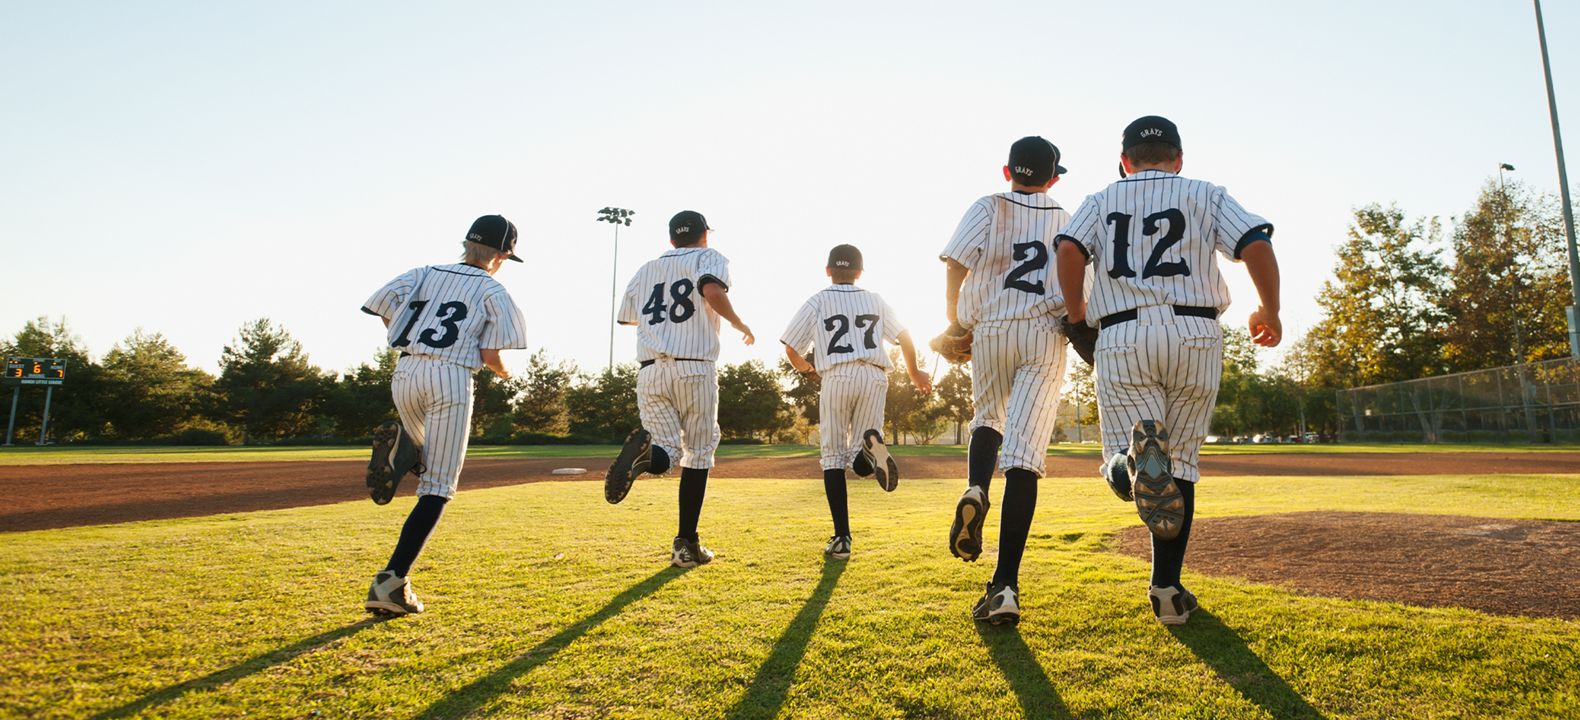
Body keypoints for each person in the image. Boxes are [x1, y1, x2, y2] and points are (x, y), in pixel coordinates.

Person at [1054, 115, 1281, 625]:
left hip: (1124, 333)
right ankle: (1168, 591)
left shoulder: (1101, 198)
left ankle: (1131, 466)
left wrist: (1076, 318)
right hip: (1196, 332)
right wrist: (1271, 310)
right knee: (1181, 466)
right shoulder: (1206, 193)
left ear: (1124, 160)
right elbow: (1256, 245)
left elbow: (1068, 249)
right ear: (1179, 159)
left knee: (1125, 454)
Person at [360, 214, 529, 615]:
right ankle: (392, 581)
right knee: (437, 486)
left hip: (405, 370)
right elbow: (490, 355)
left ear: (467, 244)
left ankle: (403, 451)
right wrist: (505, 375)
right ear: (503, 255)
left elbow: (384, 309)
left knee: (422, 454)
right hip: (450, 376)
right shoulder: (494, 290)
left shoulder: (421, 272)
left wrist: (407, 333)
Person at [938, 136, 1074, 625]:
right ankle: (1005, 587)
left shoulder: (988, 203)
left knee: (987, 417)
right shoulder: (1066, 215)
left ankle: (976, 488)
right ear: (1053, 177)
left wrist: (956, 319)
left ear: (1006, 170)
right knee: (1025, 459)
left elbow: (955, 260)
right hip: (1044, 332)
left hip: (991, 328)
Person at [604, 210, 754, 568]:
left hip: (650, 370)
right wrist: (738, 322)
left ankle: (644, 457)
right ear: (705, 234)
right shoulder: (709, 257)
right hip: (694, 367)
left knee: (667, 452)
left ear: (672, 239)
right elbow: (712, 290)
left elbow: (627, 317)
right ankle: (687, 544)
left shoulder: (646, 268)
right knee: (699, 453)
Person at [781, 244, 932, 559]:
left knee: (833, 458)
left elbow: (791, 349)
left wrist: (809, 372)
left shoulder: (818, 300)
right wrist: (915, 372)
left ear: (828, 271)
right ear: (860, 272)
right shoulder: (874, 299)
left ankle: (842, 539)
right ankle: (870, 445)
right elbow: (904, 336)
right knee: (860, 464)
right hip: (875, 375)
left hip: (837, 376)